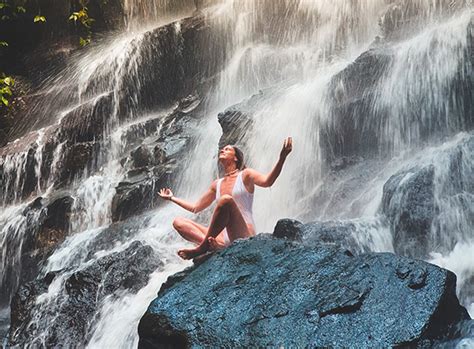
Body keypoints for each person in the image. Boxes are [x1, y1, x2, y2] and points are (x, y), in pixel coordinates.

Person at [158, 137, 293, 259]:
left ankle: (202, 248)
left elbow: (268, 181)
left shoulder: (245, 175)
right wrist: (172, 198)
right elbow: (195, 208)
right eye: (222, 149)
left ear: (235, 158)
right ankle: (214, 247)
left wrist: (282, 158)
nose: (222, 150)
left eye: (227, 149)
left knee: (226, 200)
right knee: (178, 222)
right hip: (221, 237)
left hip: (242, 232)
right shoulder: (217, 184)